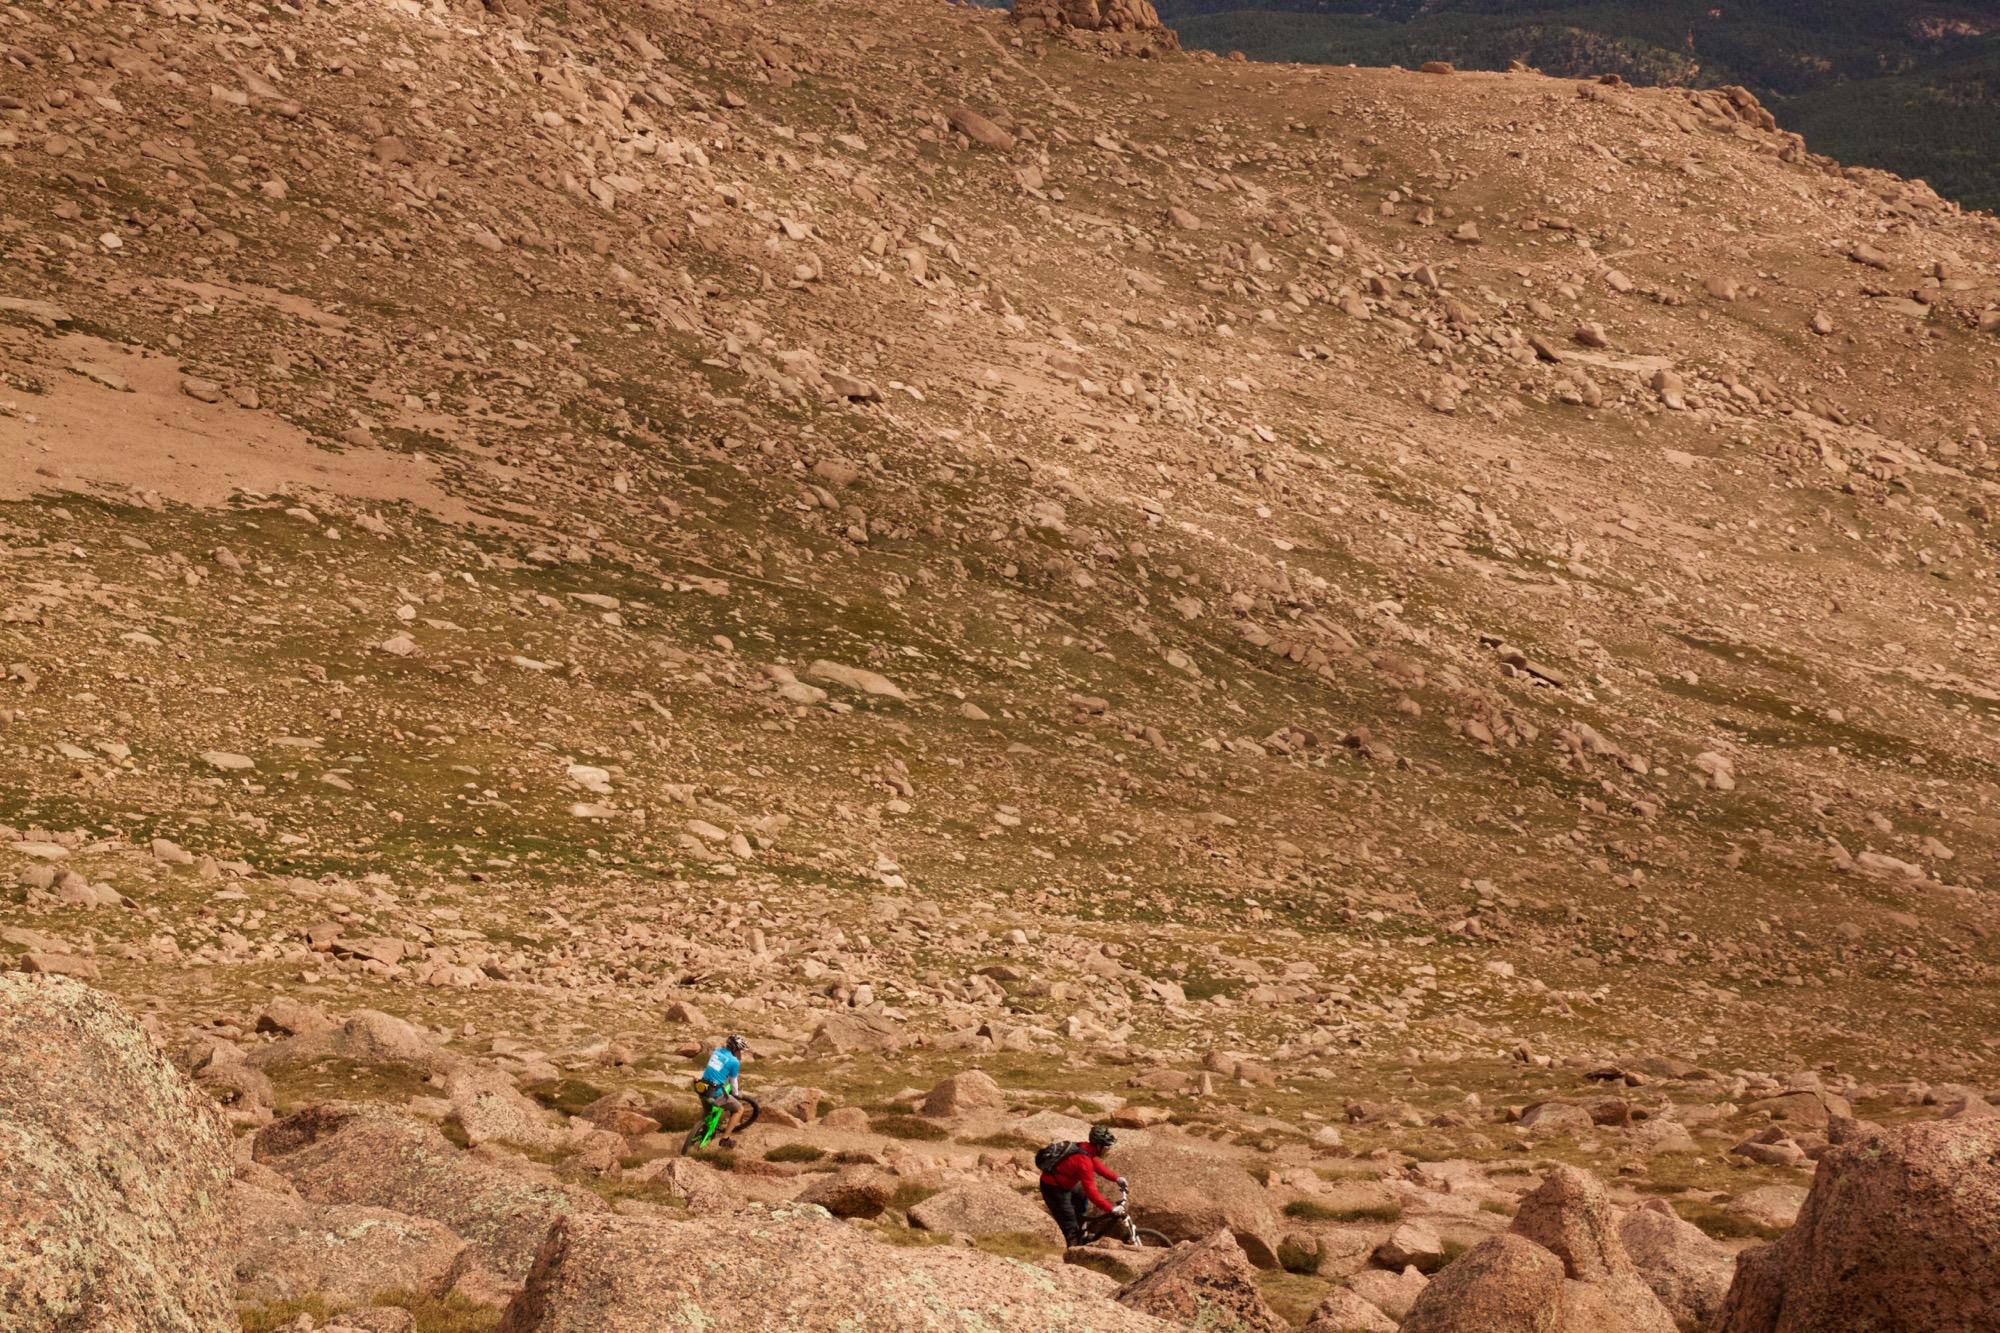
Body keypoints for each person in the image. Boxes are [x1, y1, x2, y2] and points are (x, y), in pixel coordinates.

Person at [1038, 1123, 1123, 1247]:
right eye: (1106, 1147)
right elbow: (1092, 1192)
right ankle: (1073, 1249)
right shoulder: (1083, 1162)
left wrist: (1116, 1178)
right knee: (1069, 1223)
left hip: (1066, 1183)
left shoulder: (1085, 1148)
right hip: (1053, 1188)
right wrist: (1111, 1208)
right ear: (1098, 1145)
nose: (1108, 1150)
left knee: (1081, 1198)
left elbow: (1096, 1164)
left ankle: (1082, 1230)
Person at [698, 1033, 749, 1141]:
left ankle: (706, 1131)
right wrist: (735, 1094)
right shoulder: (734, 1061)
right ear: (736, 1049)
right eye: (740, 1050)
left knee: (709, 1112)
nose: (741, 1053)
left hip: (702, 1086)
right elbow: (733, 1081)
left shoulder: (716, 1051)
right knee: (739, 1109)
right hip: (715, 1092)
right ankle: (725, 1139)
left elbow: (718, 1069)